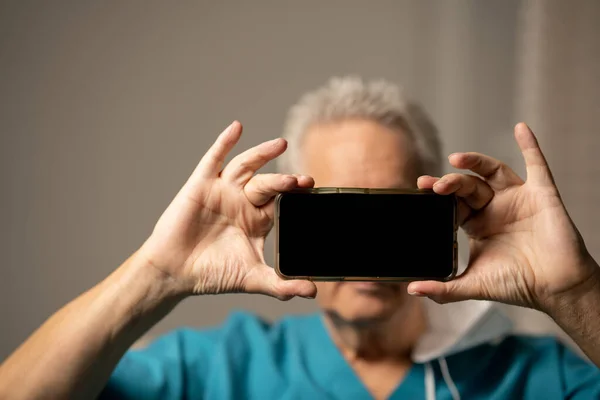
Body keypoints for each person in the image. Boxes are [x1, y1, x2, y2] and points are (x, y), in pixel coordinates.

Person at [1, 76, 599, 400]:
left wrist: (575, 290)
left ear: (438, 210)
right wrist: (157, 272)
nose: (364, 250)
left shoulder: (533, 377)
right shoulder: (218, 370)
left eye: (386, 212)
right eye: (337, 217)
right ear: (291, 218)